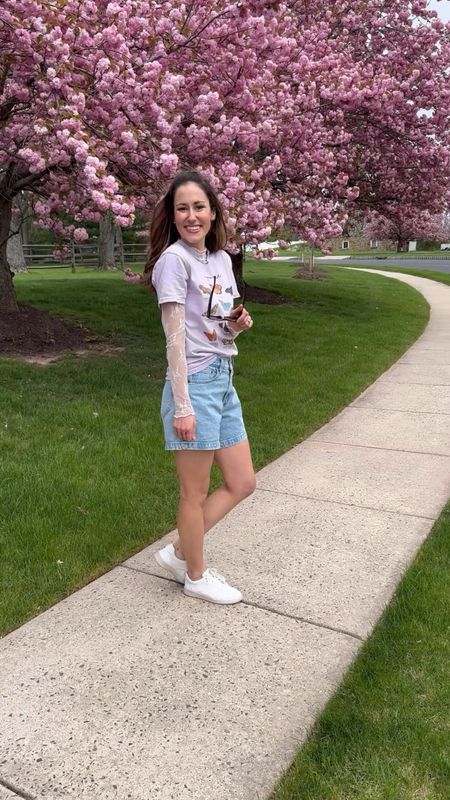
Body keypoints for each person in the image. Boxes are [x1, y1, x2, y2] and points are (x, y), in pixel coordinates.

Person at [150, 170, 256, 605]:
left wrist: (235, 326)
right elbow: (174, 339)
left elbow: (217, 329)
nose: (191, 216)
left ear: (213, 212)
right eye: (182, 208)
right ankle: (195, 574)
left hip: (222, 377)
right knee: (193, 493)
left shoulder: (221, 261)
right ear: (172, 217)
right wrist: (182, 406)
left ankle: (179, 551)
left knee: (243, 481)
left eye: (198, 206)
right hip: (193, 382)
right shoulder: (172, 262)